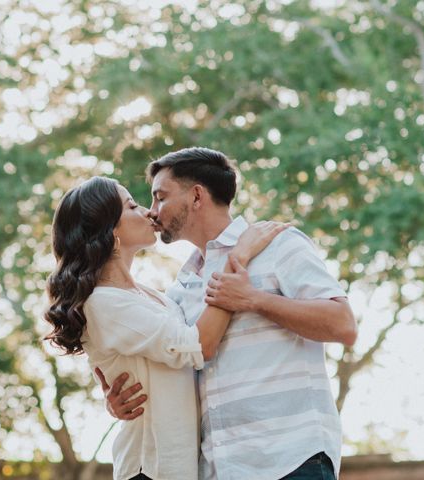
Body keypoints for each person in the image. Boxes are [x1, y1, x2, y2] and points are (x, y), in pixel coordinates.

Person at [99, 147, 357, 480]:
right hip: (219, 469)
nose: (152, 212)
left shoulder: (278, 244)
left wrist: (254, 300)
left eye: (160, 198)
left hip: (291, 459)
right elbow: (178, 358)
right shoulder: (183, 286)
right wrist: (118, 402)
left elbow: (343, 324)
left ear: (196, 196)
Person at [43, 175, 288, 480]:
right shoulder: (103, 303)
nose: (148, 211)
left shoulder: (153, 297)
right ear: (110, 230)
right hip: (150, 469)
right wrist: (238, 255)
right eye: (132, 205)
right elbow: (198, 345)